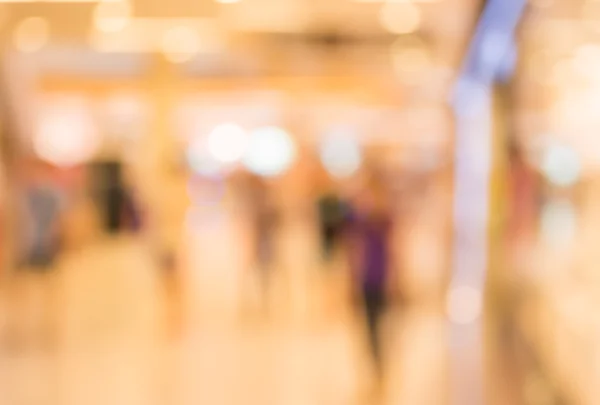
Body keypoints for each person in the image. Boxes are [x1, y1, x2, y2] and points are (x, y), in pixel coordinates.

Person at [344, 169, 395, 390]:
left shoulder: (385, 218)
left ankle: (381, 365)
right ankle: (374, 366)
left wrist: (397, 278)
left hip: (381, 277)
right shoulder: (359, 217)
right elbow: (352, 249)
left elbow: (395, 249)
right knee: (369, 326)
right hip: (366, 278)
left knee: (382, 325)